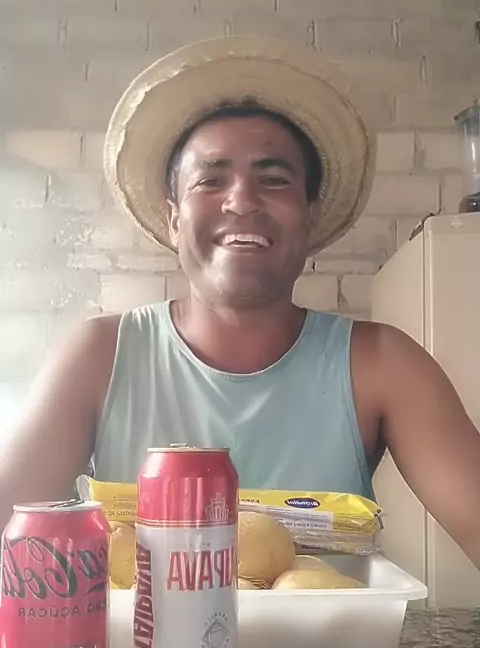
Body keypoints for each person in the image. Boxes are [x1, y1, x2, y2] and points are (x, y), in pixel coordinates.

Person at [1, 36, 480, 569]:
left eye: (273, 179)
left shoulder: (383, 363)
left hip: (335, 628)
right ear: (174, 219)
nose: (242, 201)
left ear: (310, 216)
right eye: (211, 180)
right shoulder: (100, 355)